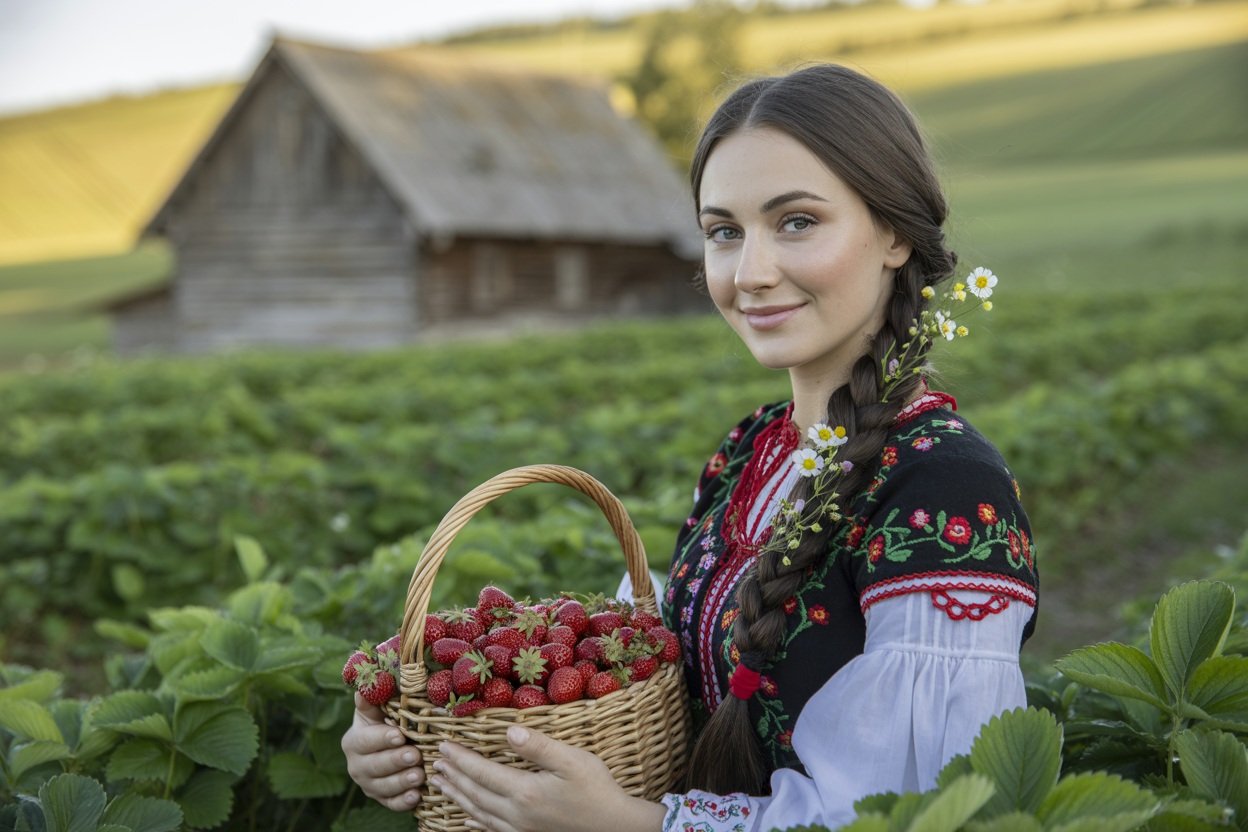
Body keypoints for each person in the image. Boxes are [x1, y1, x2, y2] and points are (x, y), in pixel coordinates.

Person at [340, 63, 1039, 831]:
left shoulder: (943, 489)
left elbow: (920, 815)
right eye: (724, 233)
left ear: (896, 234)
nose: (751, 273)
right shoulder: (750, 451)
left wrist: (630, 825)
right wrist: (424, 741)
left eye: (797, 221)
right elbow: (659, 685)